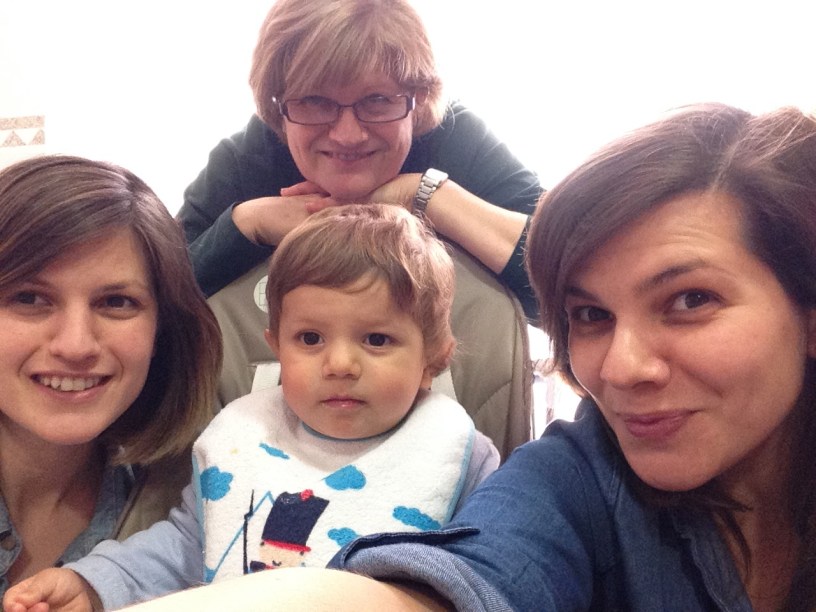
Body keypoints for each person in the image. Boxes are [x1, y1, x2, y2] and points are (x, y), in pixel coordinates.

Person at [66, 103, 816, 612]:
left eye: (690, 300)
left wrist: (430, 194)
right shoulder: (579, 478)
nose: (619, 369)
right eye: (589, 314)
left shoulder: (458, 450)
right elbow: (462, 575)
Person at [4, 204, 500, 611]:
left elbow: (485, 575)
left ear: (434, 359)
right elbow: (185, 547)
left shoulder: (453, 453)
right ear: (276, 347)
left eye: (376, 339)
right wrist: (94, 583)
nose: (340, 364)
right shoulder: (244, 437)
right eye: (310, 339)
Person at [178, 0, 542, 319]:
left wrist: (425, 195)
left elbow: (562, 292)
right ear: (277, 108)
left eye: (377, 100)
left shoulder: (457, 141)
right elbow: (156, 309)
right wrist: (247, 223)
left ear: (418, 99)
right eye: (315, 101)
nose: (347, 135)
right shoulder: (245, 161)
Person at [0, 155, 222, 600]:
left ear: (162, 329)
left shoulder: (205, 508)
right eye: (29, 298)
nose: (76, 345)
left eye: (116, 302)